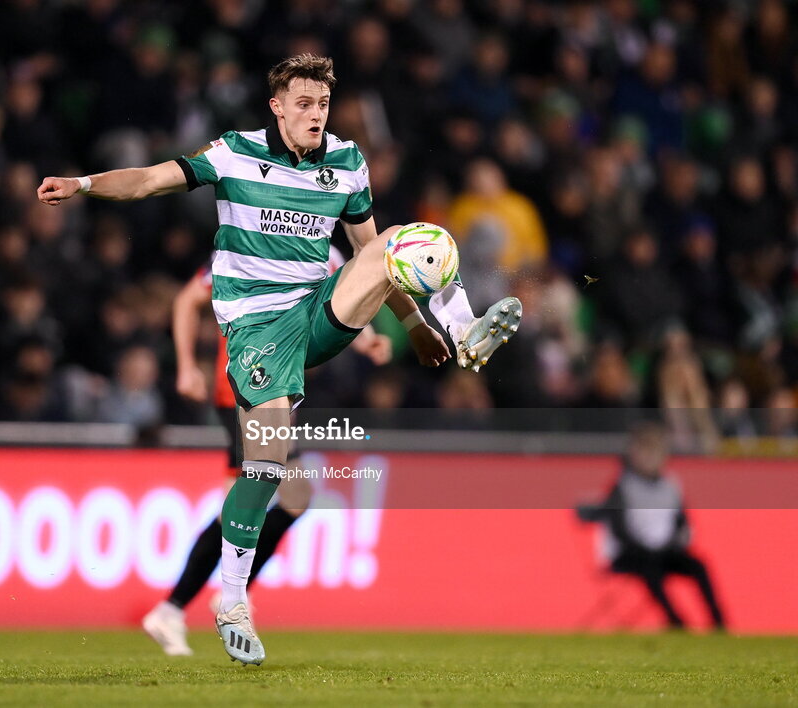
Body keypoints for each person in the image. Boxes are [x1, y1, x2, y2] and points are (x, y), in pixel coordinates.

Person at [37, 53, 522, 665]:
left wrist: (414, 326)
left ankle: (462, 329)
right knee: (270, 468)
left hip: (317, 311)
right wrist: (84, 185)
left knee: (403, 239)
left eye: (321, 104)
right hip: (256, 328)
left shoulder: (346, 163)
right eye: (303, 103)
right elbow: (151, 179)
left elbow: (371, 260)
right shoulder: (235, 153)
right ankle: (231, 600)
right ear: (277, 106)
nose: (315, 114)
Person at [143, 246, 391, 656]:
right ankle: (208, 602)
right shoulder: (253, 236)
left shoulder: (323, 249)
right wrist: (187, 365)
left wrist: (366, 341)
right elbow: (189, 298)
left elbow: (338, 300)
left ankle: (183, 607)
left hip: (278, 384)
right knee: (280, 498)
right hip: (246, 386)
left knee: (260, 502)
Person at [577, 421, 726, 630]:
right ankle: (675, 620)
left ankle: (718, 623)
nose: (649, 457)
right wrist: (649, 549)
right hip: (628, 554)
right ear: (633, 453)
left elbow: (681, 522)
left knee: (698, 566)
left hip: (664, 551)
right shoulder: (622, 487)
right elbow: (621, 532)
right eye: (644, 450)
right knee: (649, 567)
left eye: (655, 450)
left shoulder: (670, 485)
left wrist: (673, 544)